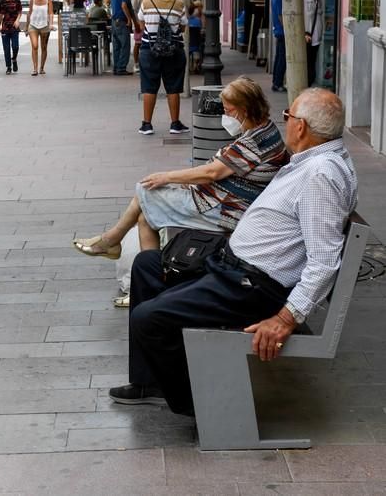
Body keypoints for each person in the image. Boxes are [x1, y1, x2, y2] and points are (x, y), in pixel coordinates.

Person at [107, 88, 358, 412]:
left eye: (289, 116)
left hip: (252, 287)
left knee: (148, 319)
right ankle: (150, 382)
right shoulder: (317, 161)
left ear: (302, 127)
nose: (285, 122)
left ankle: (201, 405)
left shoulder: (321, 174)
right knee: (147, 264)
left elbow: (324, 261)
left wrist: (284, 319)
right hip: (234, 269)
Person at [73, 77, 288, 259]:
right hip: (224, 200)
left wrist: (167, 177)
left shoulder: (254, 141)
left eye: (228, 111)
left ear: (244, 110)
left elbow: (212, 172)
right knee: (145, 215)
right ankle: (138, 272)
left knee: (145, 189)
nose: (225, 115)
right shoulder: (266, 130)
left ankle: (112, 242)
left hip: (225, 210)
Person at [137, 0, 189, 135]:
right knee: (173, 86)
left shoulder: (146, 2)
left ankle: (146, 124)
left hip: (149, 49)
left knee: (149, 87)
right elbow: (182, 27)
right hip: (173, 51)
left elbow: (141, 24)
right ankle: (175, 124)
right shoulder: (178, 3)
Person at [111, 0, 140, 76]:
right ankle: (121, 68)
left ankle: (116, 67)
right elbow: (124, 6)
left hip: (114, 21)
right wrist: (129, 19)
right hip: (122, 21)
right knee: (125, 45)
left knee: (116, 46)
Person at [26, 0, 54, 76]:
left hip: (45, 26)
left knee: (44, 47)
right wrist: (26, 27)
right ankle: (35, 69)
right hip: (33, 25)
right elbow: (29, 13)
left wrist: (51, 24)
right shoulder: (32, 0)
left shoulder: (48, 0)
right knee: (34, 46)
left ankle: (41, 68)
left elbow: (50, 13)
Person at [304, 0, 326, 86]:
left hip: (315, 41)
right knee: (307, 72)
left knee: (311, 70)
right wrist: (303, 34)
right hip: (307, 40)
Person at [0, 0, 22, 75]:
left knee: (15, 46)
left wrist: (17, 21)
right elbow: (0, 15)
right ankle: (8, 67)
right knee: (6, 48)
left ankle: (14, 59)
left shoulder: (17, 1)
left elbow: (20, 12)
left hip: (14, 27)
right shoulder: (2, 2)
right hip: (5, 27)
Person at [131, 0, 154, 73]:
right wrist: (136, 24)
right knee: (138, 43)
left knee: (149, 43)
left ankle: (147, 63)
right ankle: (136, 64)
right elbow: (133, 10)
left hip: (149, 23)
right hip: (139, 24)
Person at [271, 0, 286, 92]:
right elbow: (281, 15)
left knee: (278, 57)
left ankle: (275, 81)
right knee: (282, 58)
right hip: (282, 31)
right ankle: (278, 82)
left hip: (277, 30)